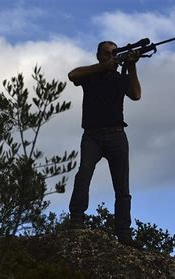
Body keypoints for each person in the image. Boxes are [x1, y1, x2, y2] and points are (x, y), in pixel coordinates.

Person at [67, 41, 141, 248]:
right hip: (92, 136)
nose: (111, 57)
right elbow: (72, 75)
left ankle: (124, 233)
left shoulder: (119, 78)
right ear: (99, 55)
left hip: (117, 135)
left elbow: (136, 94)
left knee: (122, 187)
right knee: (83, 175)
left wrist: (132, 65)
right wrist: (101, 67)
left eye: (114, 54)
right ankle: (76, 220)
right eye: (107, 54)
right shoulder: (91, 75)